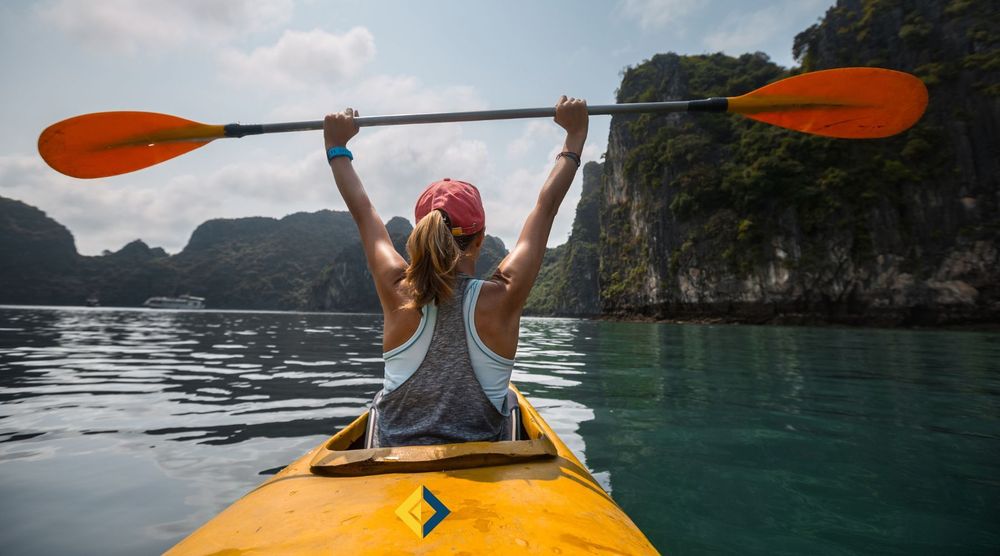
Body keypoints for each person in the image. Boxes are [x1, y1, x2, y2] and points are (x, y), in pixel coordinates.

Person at [324, 96, 588, 447]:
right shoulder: (503, 295)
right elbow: (547, 206)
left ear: (420, 233)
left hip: (393, 469)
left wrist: (336, 146)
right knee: (508, 402)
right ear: (479, 240)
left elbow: (363, 210)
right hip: (480, 465)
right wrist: (574, 137)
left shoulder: (396, 289)